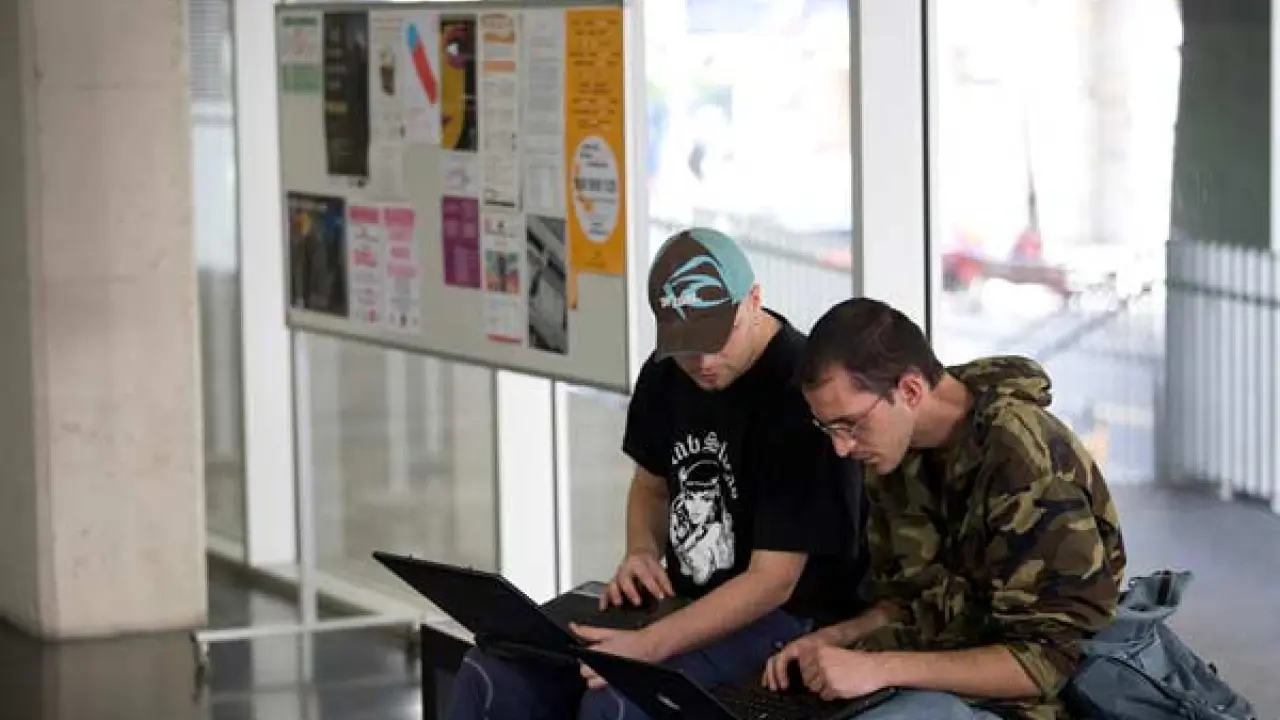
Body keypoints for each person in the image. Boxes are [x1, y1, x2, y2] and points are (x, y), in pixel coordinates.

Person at [445, 228, 868, 720]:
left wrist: (650, 644)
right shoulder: (665, 374)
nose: (704, 362)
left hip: (783, 617)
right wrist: (641, 551)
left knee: (617, 702)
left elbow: (772, 582)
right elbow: (650, 487)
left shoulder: (798, 393)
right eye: (687, 348)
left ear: (754, 300)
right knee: (493, 671)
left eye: (719, 339)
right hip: (681, 602)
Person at [762, 297, 1126, 720]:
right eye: (828, 428)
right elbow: (907, 601)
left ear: (910, 390)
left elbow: (1050, 662)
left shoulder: (1022, 458)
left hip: (1028, 703)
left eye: (850, 424)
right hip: (933, 672)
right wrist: (835, 639)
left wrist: (878, 669)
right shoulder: (893, 450)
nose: (841, 448)